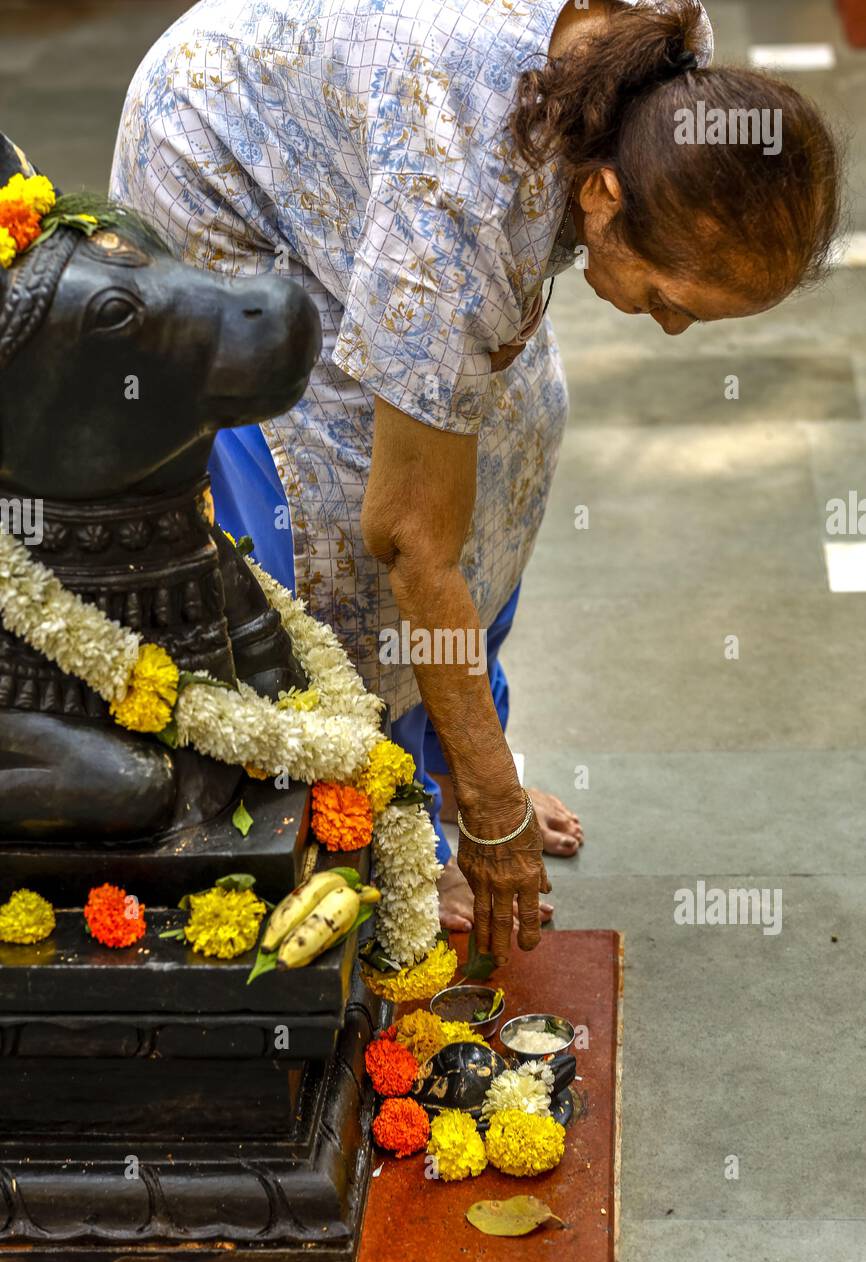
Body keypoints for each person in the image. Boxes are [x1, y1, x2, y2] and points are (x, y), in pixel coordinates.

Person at [111, 0, 840, 965]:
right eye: (670, 300)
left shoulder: (669, 61)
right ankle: (386, 809)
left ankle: (456, 753)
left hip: (380, 126)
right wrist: (495, 819)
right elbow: (408, 540)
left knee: (520, 425)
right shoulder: (463, 200)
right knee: (340, 506)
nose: (669, 330)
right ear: (604, 198)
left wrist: (481, 765)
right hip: (233, 159)